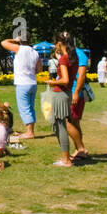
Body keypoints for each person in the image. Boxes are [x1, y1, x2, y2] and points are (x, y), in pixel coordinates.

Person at [1, 34, 41, 141]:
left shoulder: (19, 49)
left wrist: (14, 40)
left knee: (24, 108)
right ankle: (31, 130)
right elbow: (39, 69)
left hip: (22, 83)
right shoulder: (35, 52)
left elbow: (3, 42)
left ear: (20, 39)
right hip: (32, 82)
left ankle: (29, 132)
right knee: (30, 108)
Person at [46, 37, 75, 167]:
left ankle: (66, 159)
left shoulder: (64, 59)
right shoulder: (72, 57)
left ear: (59, 43)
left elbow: (65, 80)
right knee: (59, 125)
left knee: (60, 126)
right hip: (67, 93)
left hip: (60, 94)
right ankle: (66, 156)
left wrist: (52, 82)